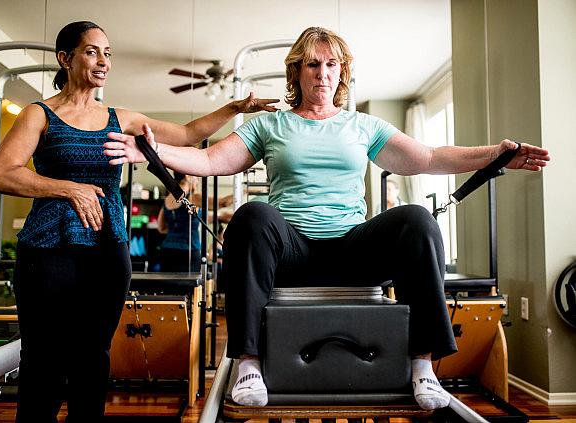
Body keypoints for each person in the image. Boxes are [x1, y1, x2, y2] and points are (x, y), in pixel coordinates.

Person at [104, 26, 550, 410]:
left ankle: (421, 363)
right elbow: (214, 160)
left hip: (352, 250)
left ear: (343, 73)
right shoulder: (271, 125)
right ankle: (249, 364)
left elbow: (428, 157)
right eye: (313, 64)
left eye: (331, 64)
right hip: (289, 252)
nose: (322, 73)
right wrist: (153, 150)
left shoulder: (363, 126)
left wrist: (495, 154)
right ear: (297, 71)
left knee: (416, 219)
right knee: (251, 215)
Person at [0, 20, 277, 423]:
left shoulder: (118, 117)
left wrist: (235, 108)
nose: (103, 60)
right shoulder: (40, 115)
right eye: (92, 51)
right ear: (65, 58)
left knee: (93, 359)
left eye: (107, 53)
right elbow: (1, 174)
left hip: (107, 250)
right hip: (47, 251)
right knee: (44, 362)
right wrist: (69, 188)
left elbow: (188, 133)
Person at [157, 172, 233, 272]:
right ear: (188, 177)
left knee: (170, 287)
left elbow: (161, 228)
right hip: (188, 252)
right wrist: (244, 190)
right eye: (196, 178)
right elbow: (223, 203)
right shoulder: (192, 197)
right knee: (190, 287)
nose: (197, 181)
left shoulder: (167, 199)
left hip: (167, 251)